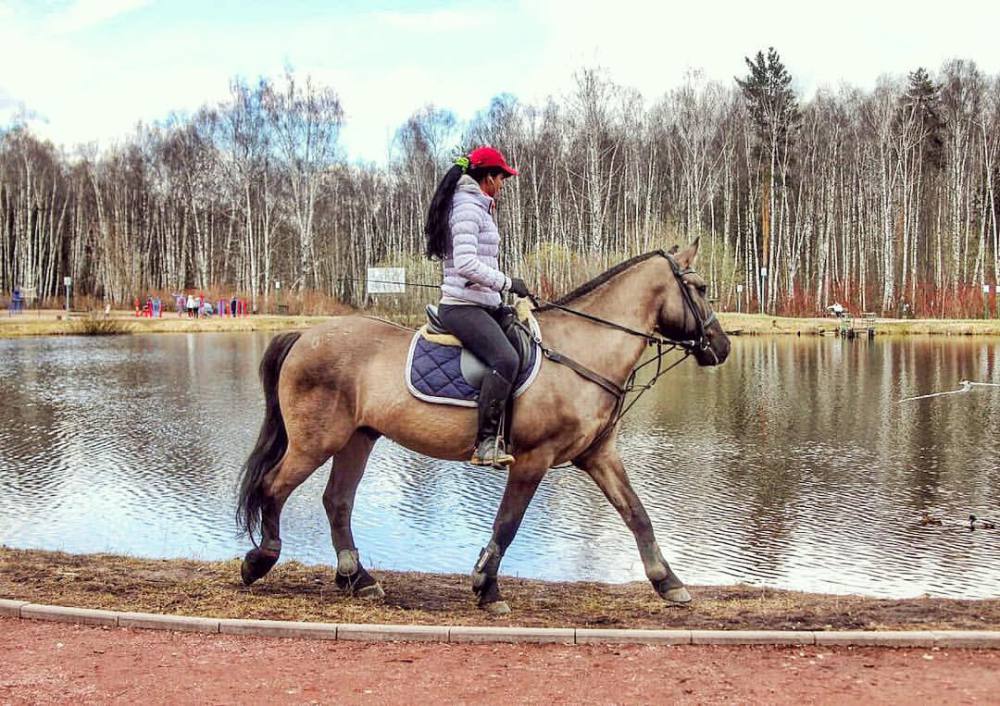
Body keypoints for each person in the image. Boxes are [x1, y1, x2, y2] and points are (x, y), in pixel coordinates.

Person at [424, 146, 530, 468]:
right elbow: (468, 263)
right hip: (462, 307)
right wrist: (507, 283)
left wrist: (503, 298)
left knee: (526, 341)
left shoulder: (481, 207)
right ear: (487, 178)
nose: (503, 184)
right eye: (501, 178)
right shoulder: (468, 208)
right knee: (505, 359)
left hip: (484, 303)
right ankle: (485, 444)